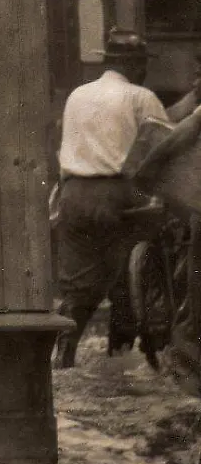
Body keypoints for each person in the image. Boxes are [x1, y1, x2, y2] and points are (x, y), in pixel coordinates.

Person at [53, 30, 200, 368]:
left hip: (73, 193)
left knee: (77, 285)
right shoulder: (140, 96)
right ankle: (128, 356)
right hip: (120, 193)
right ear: (133, 66)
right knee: (126, 277)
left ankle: (64, 356)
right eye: (142, 65)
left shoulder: (78, 94)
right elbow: (166, 142)